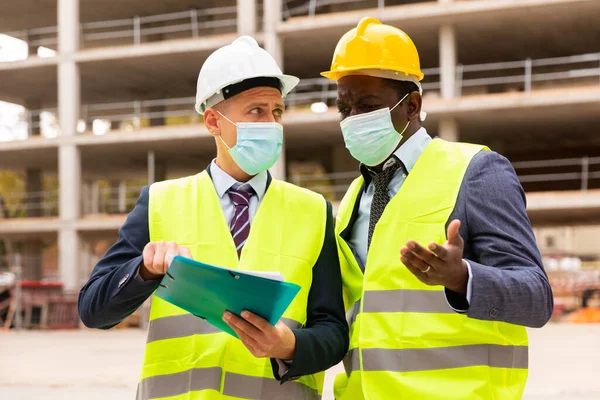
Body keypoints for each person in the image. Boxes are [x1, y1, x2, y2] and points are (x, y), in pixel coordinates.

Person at [78, 36, 348, 400]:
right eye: (256, 111)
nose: (272, 123)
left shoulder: (314, 210)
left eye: (277, 111)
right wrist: (143, 271)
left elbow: (333, 333)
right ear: (212, 121)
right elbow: (94, 310)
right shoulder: (159, 201)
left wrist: (289, 346)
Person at [321, 17, 554, 400]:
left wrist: (463, 278)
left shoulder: (476, 171)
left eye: (367, 105)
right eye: (344, 108)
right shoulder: (352, 199)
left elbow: (536, 298)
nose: (352, 120)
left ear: (412, 105)